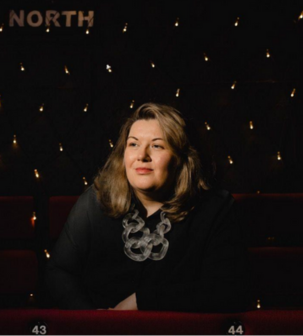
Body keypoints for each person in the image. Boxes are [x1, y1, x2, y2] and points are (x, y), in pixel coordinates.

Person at [44, 103, 251, 312]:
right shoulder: (95, 201)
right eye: (133, 144)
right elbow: (58, 271)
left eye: (157, 145)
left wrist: (142, 301)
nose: (141, 155)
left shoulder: (215, 208)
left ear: (181, 158)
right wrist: (93, 322)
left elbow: (228, 289)